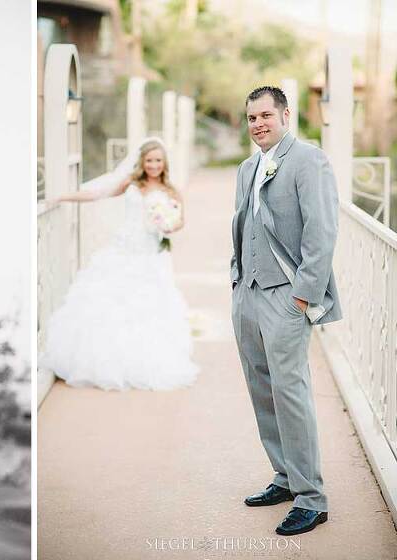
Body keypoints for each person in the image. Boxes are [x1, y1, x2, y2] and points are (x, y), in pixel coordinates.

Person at [230, 86, 341, 536]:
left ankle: (312, 498)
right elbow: (242, 223)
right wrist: (237, 281)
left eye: (264, 116)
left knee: (290, 392)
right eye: (251, 117)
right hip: (248, 295)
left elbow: (322, 229)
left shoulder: (308, 159)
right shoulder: (246, 167)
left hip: (287, 297)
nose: (257, 124)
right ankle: (286, 477)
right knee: (261, 388)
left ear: (285, 115)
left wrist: (303, 296)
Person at [41, 138, 198, 390]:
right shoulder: (131, 183)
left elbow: (180, 221)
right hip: (122, 250)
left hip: (149, 255)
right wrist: (63, 196)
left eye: (158, 160)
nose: (154, 165)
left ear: (164, 162)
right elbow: (97, 193)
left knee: (146, 309)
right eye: (149, 160)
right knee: (108, 303)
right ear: (142, 162)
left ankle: (143, 364)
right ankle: (101, 362)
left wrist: (167, 224)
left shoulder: (171, 191)